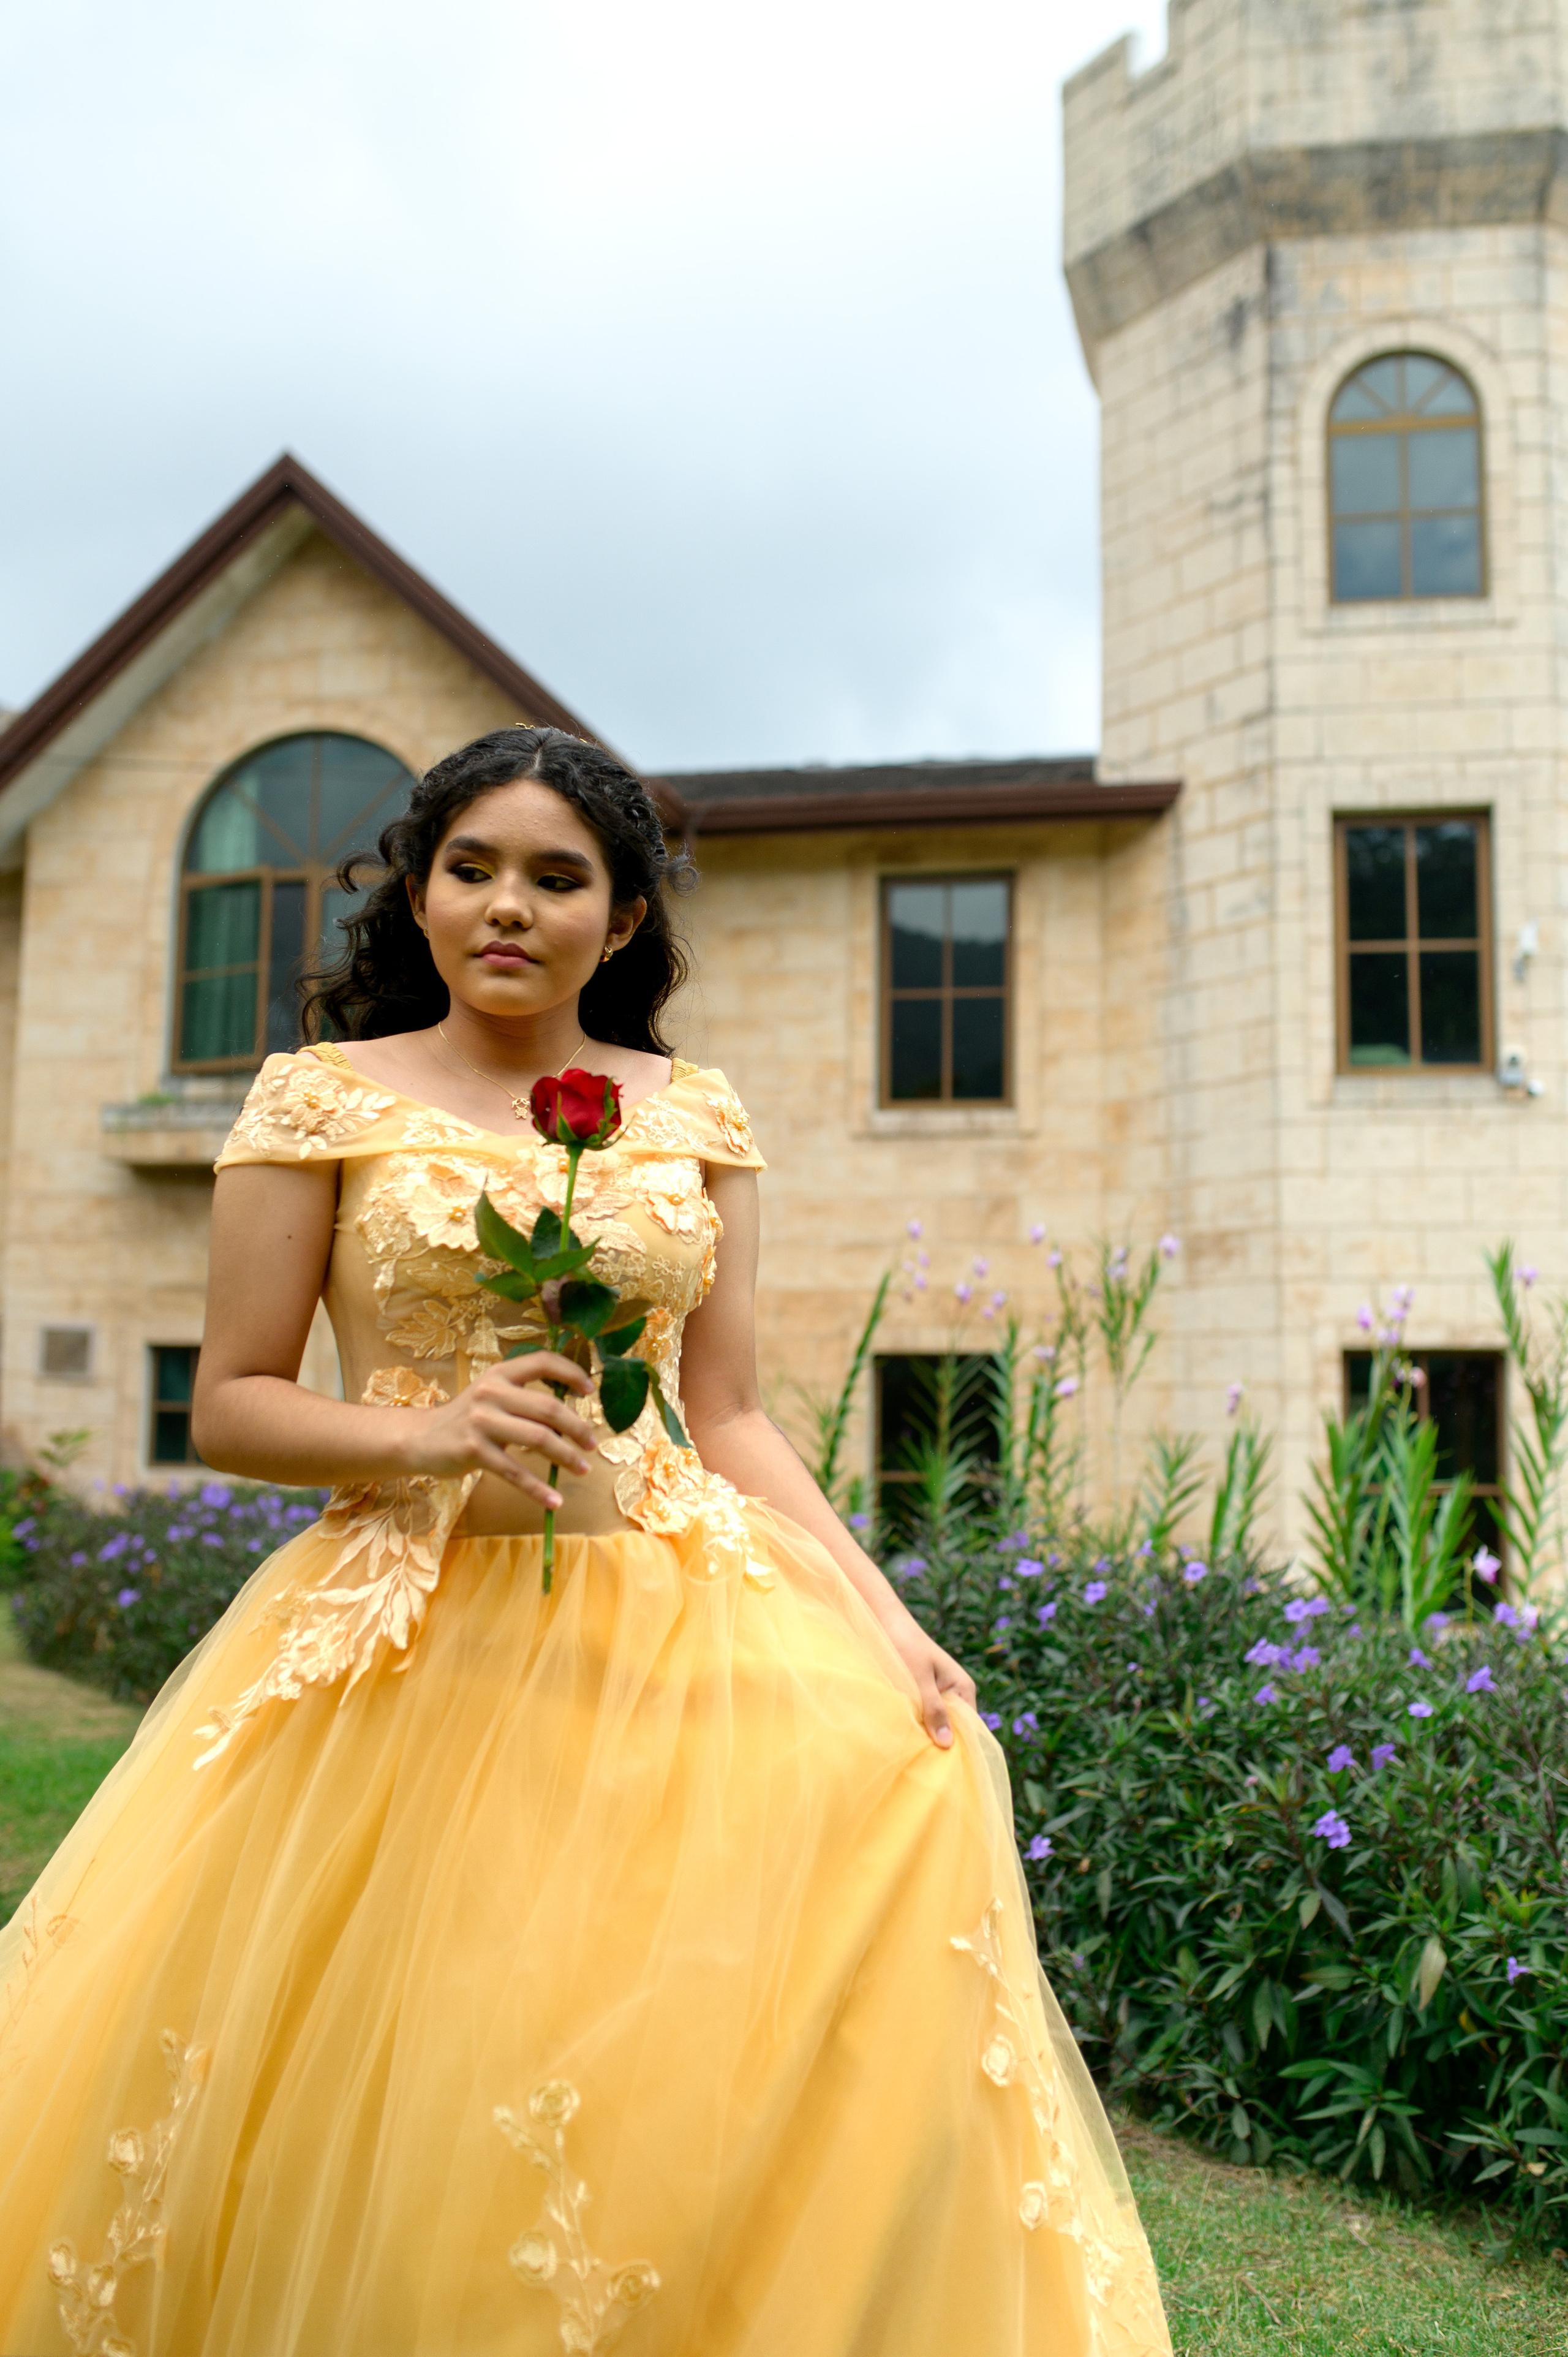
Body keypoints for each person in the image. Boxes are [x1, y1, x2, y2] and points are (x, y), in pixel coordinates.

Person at [0, 728, 1170, 2356]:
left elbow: (733, 1413)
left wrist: (882, 1616)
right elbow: (237, 1405)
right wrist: (420, 1433)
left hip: (676, 1620)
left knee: (680, 2019)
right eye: (472, 868)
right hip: (404, 1633)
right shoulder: (315, 1102)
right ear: (416, 892)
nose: (508, 907)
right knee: (433, 2046)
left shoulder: (694, 1113)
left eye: (559, 878)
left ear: (619, 923)